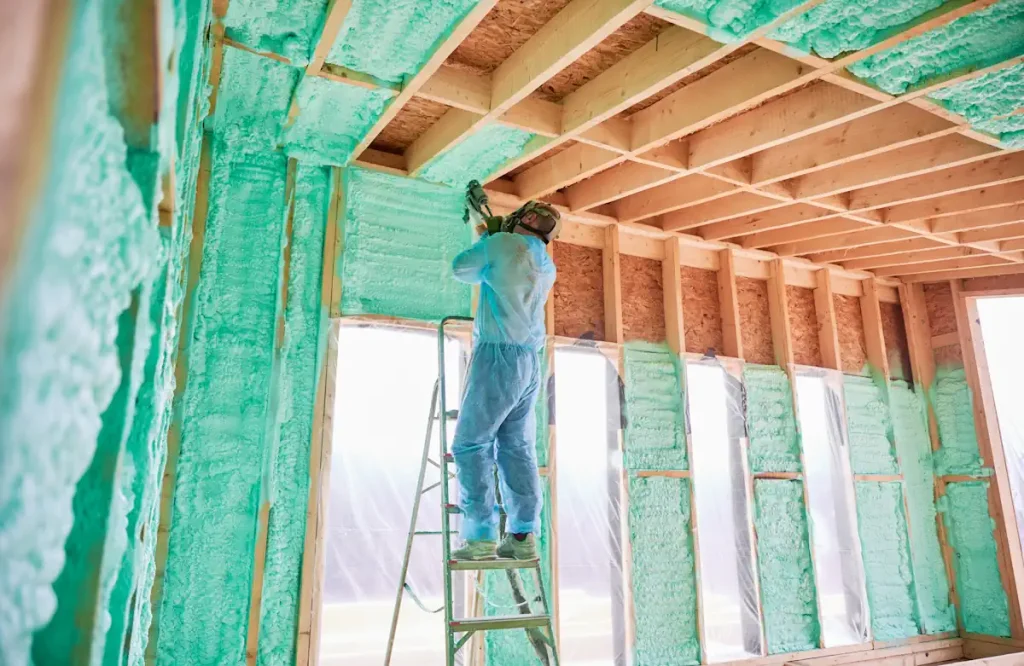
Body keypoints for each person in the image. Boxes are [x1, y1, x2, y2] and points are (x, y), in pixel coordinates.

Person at [448, 201, 561, 561]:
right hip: (529, 361)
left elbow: (461, 269)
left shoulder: (501, 244)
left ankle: (480, 537)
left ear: (527, 219)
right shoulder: (545, 262)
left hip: (497, 357)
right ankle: (522, 536)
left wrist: (490, 238)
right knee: (516, 447)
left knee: (470, 444)